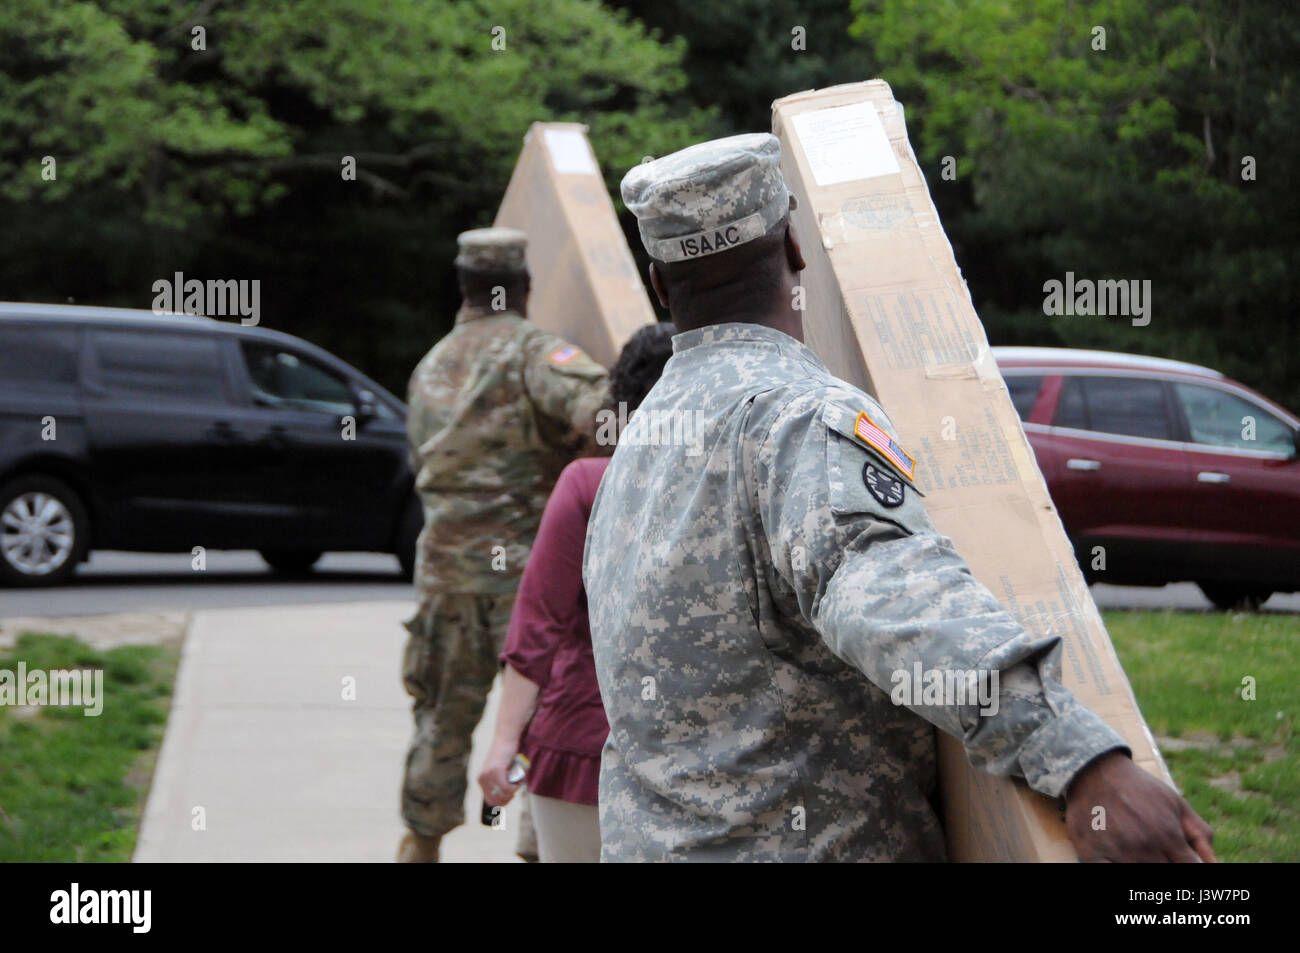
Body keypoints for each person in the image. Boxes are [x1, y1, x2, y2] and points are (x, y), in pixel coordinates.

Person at [581, 134, 1216, 863]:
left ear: (660, 285)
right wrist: (1082, 760)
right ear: (793, 244)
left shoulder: (638, 443)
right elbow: (888, 596)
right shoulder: (795, 417)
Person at [399, 227, 609, 862]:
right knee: (539, 725)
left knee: (439, 717)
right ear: (523, 288)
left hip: (444, 574)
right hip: (526, 580)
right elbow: (606, 411)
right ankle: (537, 849)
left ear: (463, 288)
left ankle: (421, 844)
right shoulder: (533, 354)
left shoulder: (429, 365)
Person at [477, 323, 676, 863]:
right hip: (699, 753)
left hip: (581, 744)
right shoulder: (736, 484)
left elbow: (537, 623)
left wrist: (503, 742)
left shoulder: (588, 484)